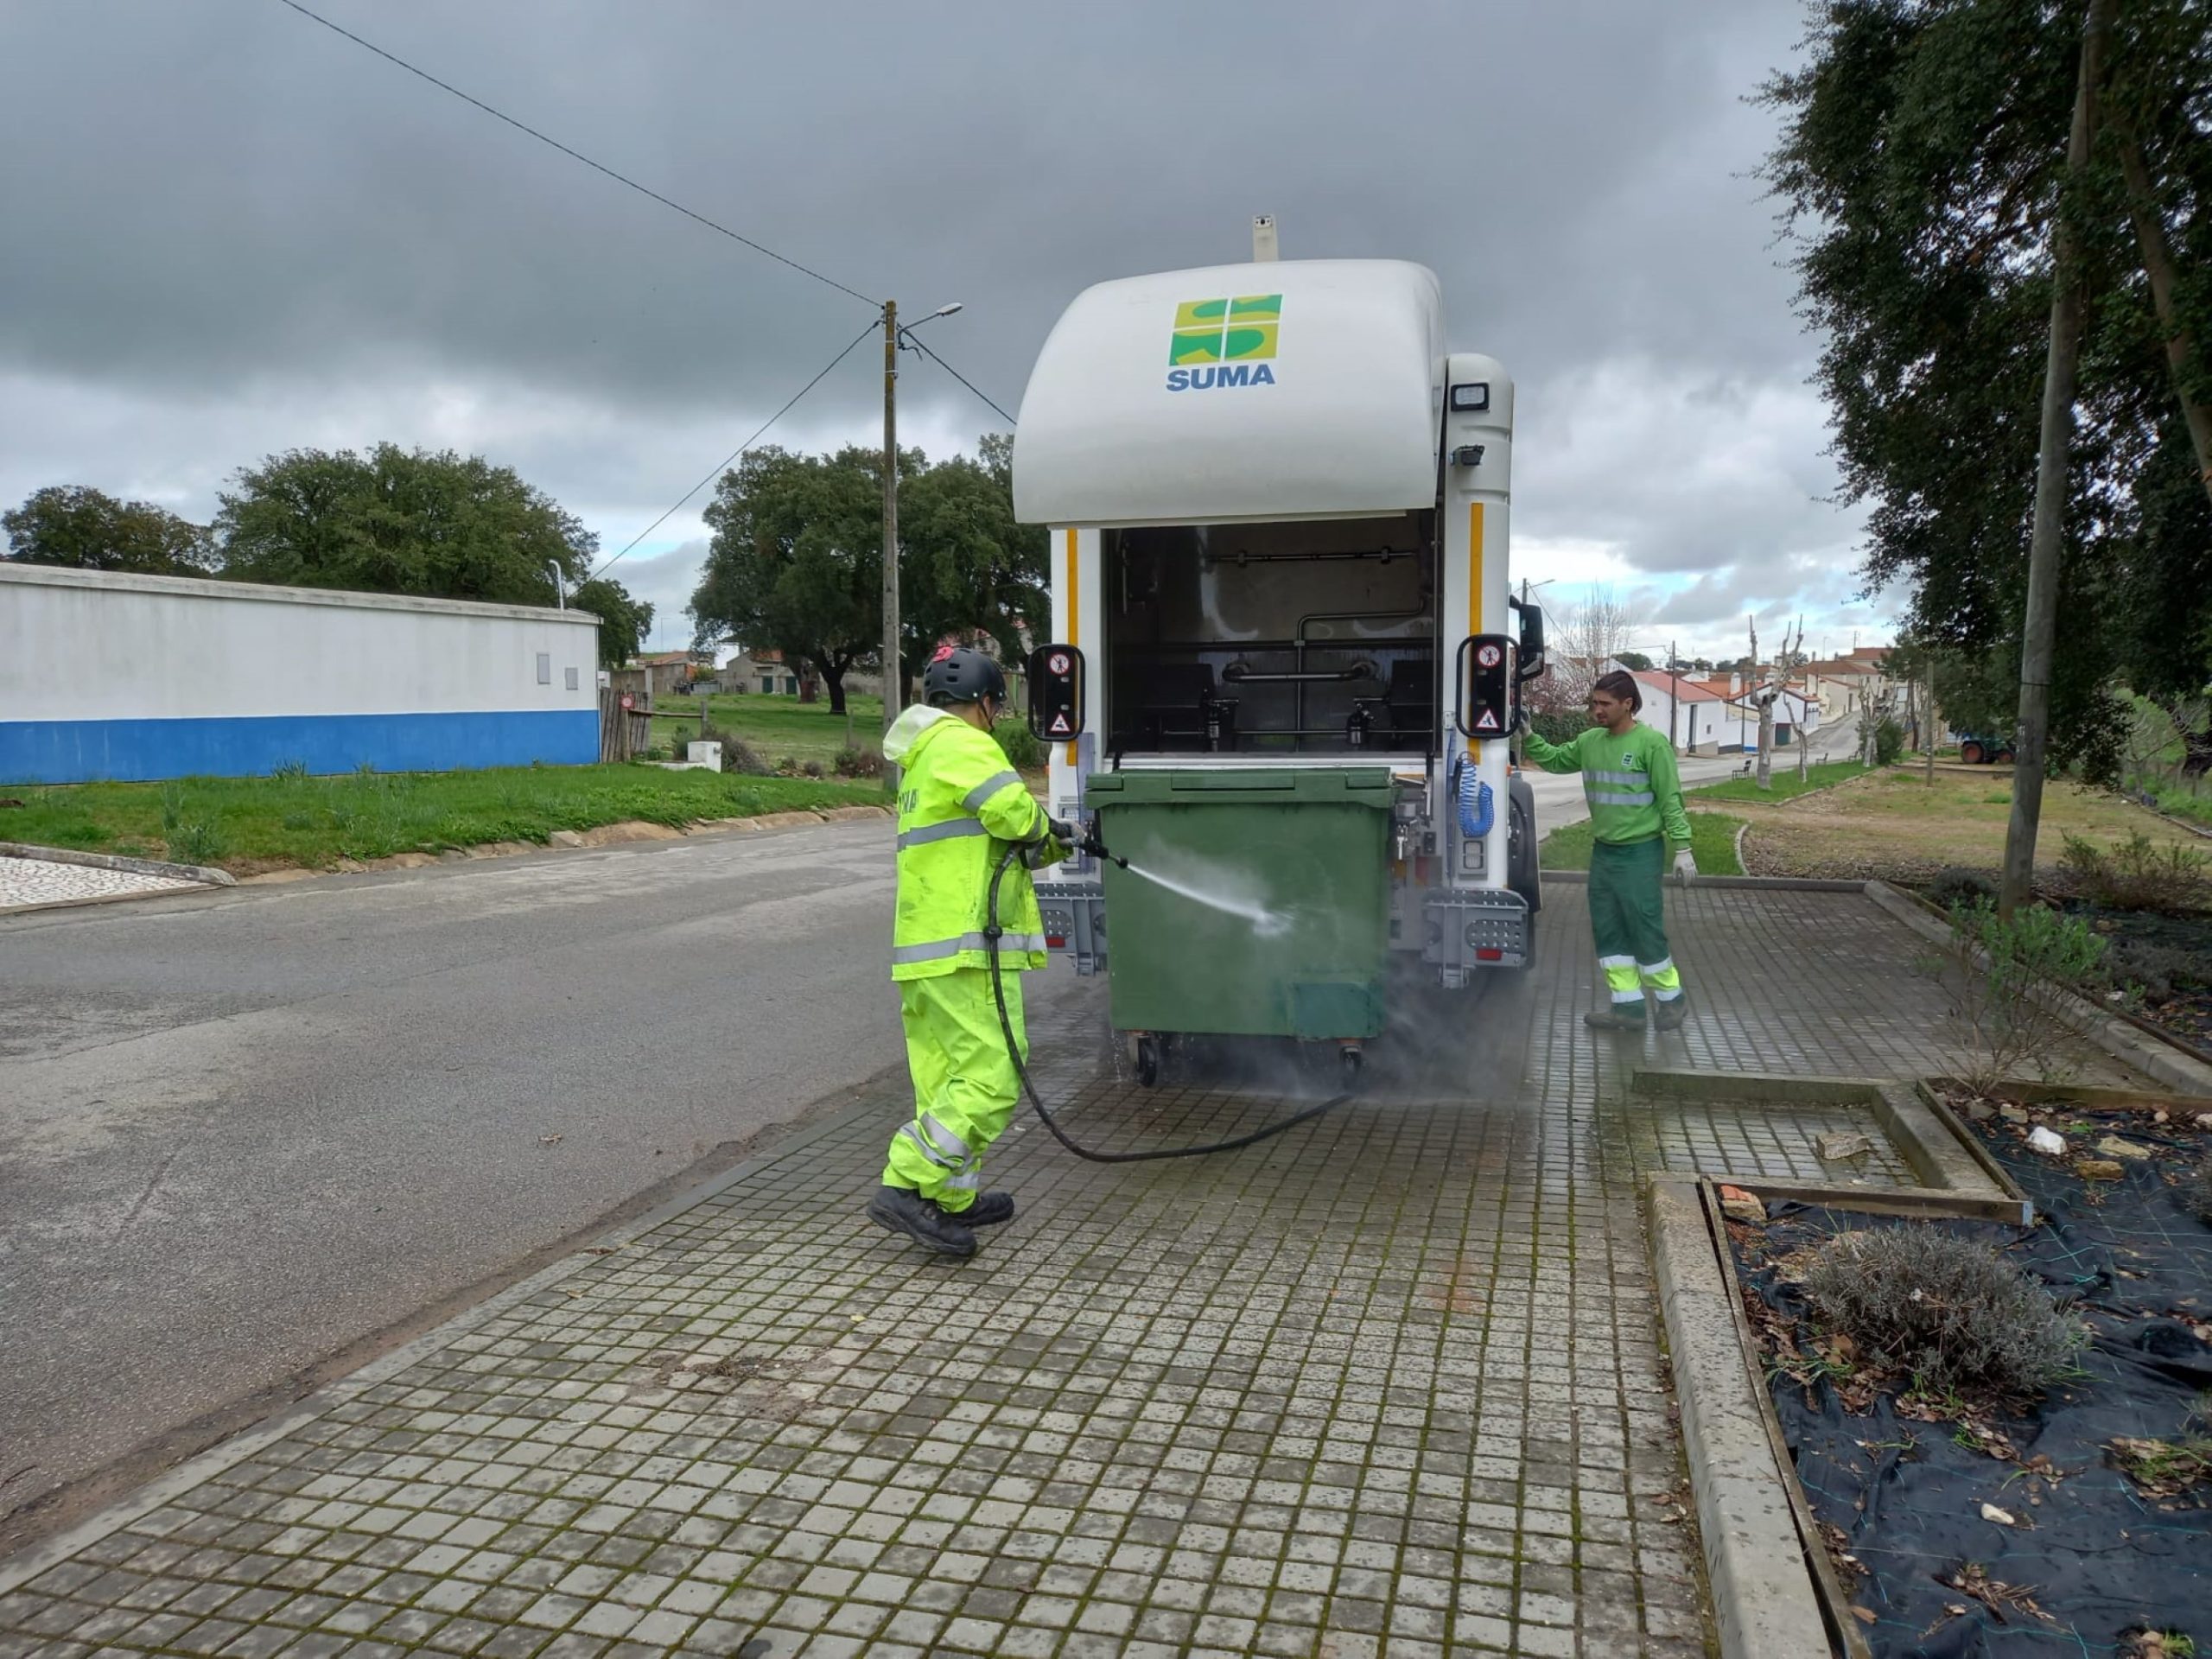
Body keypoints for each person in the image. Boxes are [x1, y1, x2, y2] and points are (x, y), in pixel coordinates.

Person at [867, 644, 1070, 1258]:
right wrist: (1050, 827)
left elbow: (997, 837)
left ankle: (948, 1196)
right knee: (992, 1075)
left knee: (947, 1079)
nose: (995, 717)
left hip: (927, 950)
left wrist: (1054, 840)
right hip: (965, 949)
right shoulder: (965, 744)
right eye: (995, 706)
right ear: (983, 702)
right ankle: (905, 1182)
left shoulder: (926, 758)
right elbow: (1013, 813)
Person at [1520, 670, 1695, 1031]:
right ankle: (1627, 1008)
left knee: (1643, 927)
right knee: (1609, 932)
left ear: (1627, 704)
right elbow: (1554, 760)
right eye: (1593, 703)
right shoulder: (1590, 742)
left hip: (1641, 852)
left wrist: (1683, 847)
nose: (1595, 710)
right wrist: (1528, 735)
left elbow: (1670, 800)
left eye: (1604, 704)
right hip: (1605, 853)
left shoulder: (1652, 744)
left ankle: (1671, 1001)